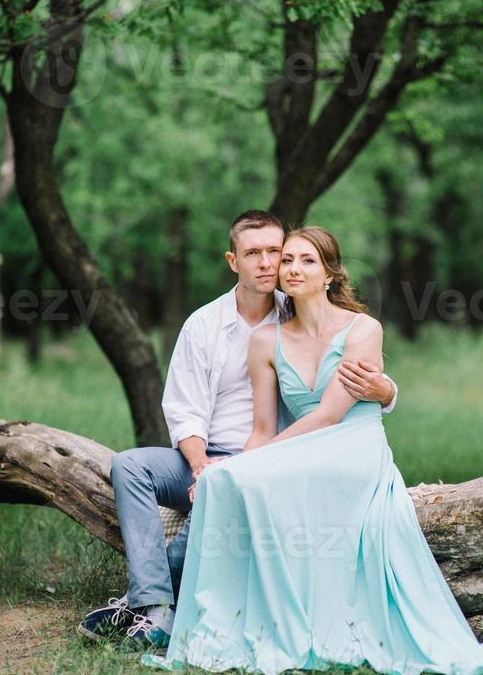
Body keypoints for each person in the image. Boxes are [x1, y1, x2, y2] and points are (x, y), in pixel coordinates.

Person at [142, 226, 483, 675]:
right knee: (223, 481)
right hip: (301, 445)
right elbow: (261, 429)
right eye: (287, 260)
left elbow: (330, 415)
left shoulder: (363, 329)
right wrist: (234, 466)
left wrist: (253, 461)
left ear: (330, 274)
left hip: (352, 443)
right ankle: (204, 616)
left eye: (307, 260)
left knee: (247, 473)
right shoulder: (264, 342)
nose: (291, 268)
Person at [77, 211, 398, 649]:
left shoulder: (300, 309)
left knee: (224, 485)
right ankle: (153, 604)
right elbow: (184, 412)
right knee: (130, 465)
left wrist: (387, 391)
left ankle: (144, 604)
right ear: (233, 261)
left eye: (276, 253)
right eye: (255, 254)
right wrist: (200, 465)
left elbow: (339, 393)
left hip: (273, 455)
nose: (271, 264)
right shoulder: (203, 325)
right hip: (208, 452)